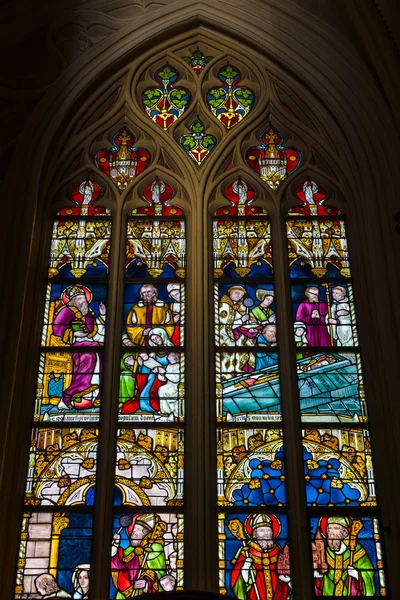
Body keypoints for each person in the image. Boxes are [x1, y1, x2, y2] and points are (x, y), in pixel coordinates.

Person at [52, 285, 105, 411]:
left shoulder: (88, 313)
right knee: (87, 362)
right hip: (80, 346)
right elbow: (57, 327)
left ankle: (90, 398)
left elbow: (93, 331)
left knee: (101, 361)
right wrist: (74, 333)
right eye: (80, 298)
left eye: (84, 298)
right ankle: (66, 399)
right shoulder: (66, 311)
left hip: (92, 344)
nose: (83, 301)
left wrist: (102, 315)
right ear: (73, 300)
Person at [230, 513, 291, 600]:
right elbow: (236, 579)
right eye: (262, 530)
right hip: (254, 594)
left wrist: (288, 580)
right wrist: (245, 570)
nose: (266, 533)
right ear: (255, 534)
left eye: (268, 530)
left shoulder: (278, 550)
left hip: (279, 593)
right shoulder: (247, 551)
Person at [313, 516, 376, 596]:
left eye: (335, 528)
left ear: (344, 532)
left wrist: (357, 575)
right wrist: (320, 576)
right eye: (329, 529)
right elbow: (323, 578)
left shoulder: (356, 551)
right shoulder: (325, 553)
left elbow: (369, 573)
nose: (331, 532)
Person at [111, 513, 169, 597]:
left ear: (146, 534)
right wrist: (116, 544)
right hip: (124, 595)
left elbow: (160, 575)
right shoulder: (130, 550)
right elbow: (117, 567)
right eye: (133, 529)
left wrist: (147, 584)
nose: (132, 532)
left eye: (137, 529)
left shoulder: (155, 548)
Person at [121, 328, 172, 414]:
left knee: (150, 386)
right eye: (153, 340)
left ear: (162, 335)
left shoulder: (172, 349)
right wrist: (137, 362)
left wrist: (159, 368)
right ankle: (147, 407)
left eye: (157, 338)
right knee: (146, 377)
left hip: (167, 376)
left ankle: (154, 407)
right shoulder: (154, 352)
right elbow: (147, 363)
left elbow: (173, 365)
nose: (155, 341)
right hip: (154, 375)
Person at [157, 352, 180, 418]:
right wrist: (161, 373)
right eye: (168, 356)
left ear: (175, 357)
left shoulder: (179, 366)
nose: (168, 358)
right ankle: (165, 411)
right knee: (162, 389)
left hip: (175, 387)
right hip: (169, 386)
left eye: (170, 356)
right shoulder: (169, 365)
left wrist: (165, 373)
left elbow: (176, 379)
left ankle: (165, 411)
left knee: (162, 389)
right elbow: (163, 379)